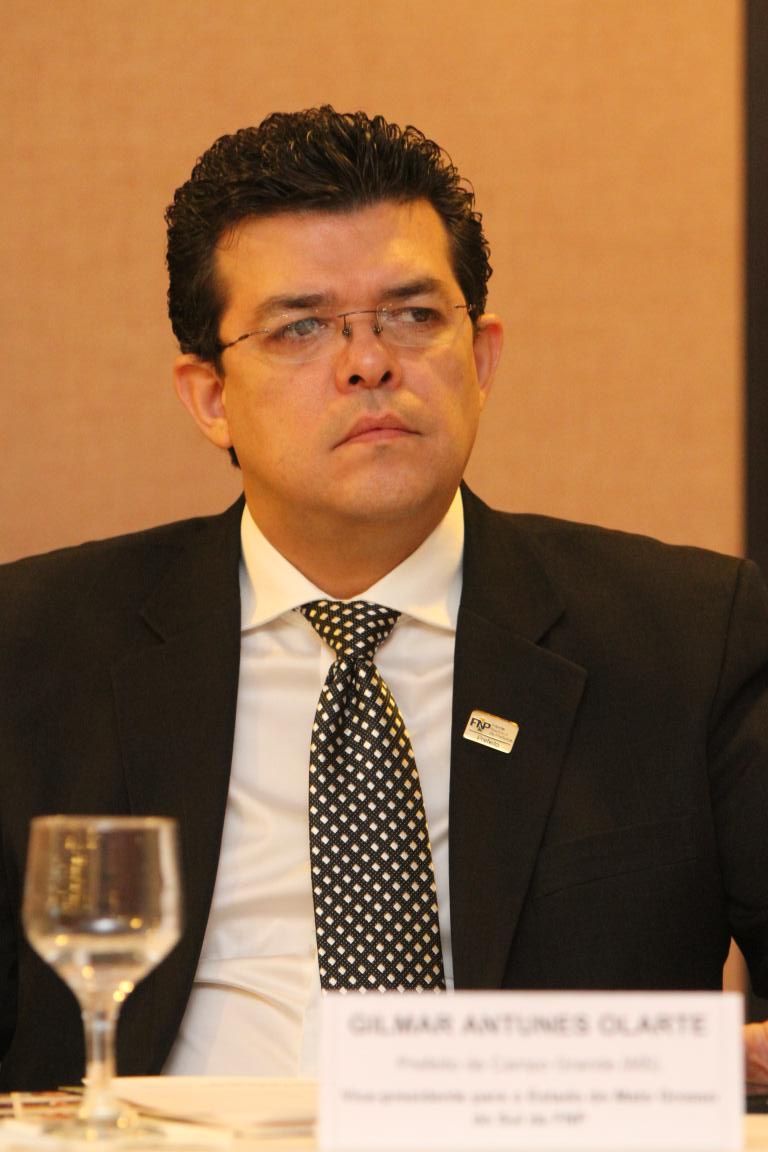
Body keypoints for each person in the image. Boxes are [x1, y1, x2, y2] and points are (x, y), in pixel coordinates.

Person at [2, 106, 768, 1091]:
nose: (369, 363)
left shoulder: (686, 639)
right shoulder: (33, 647)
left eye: (414, 316)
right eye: (300, 327)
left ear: (481, 359)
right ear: (210, 397)